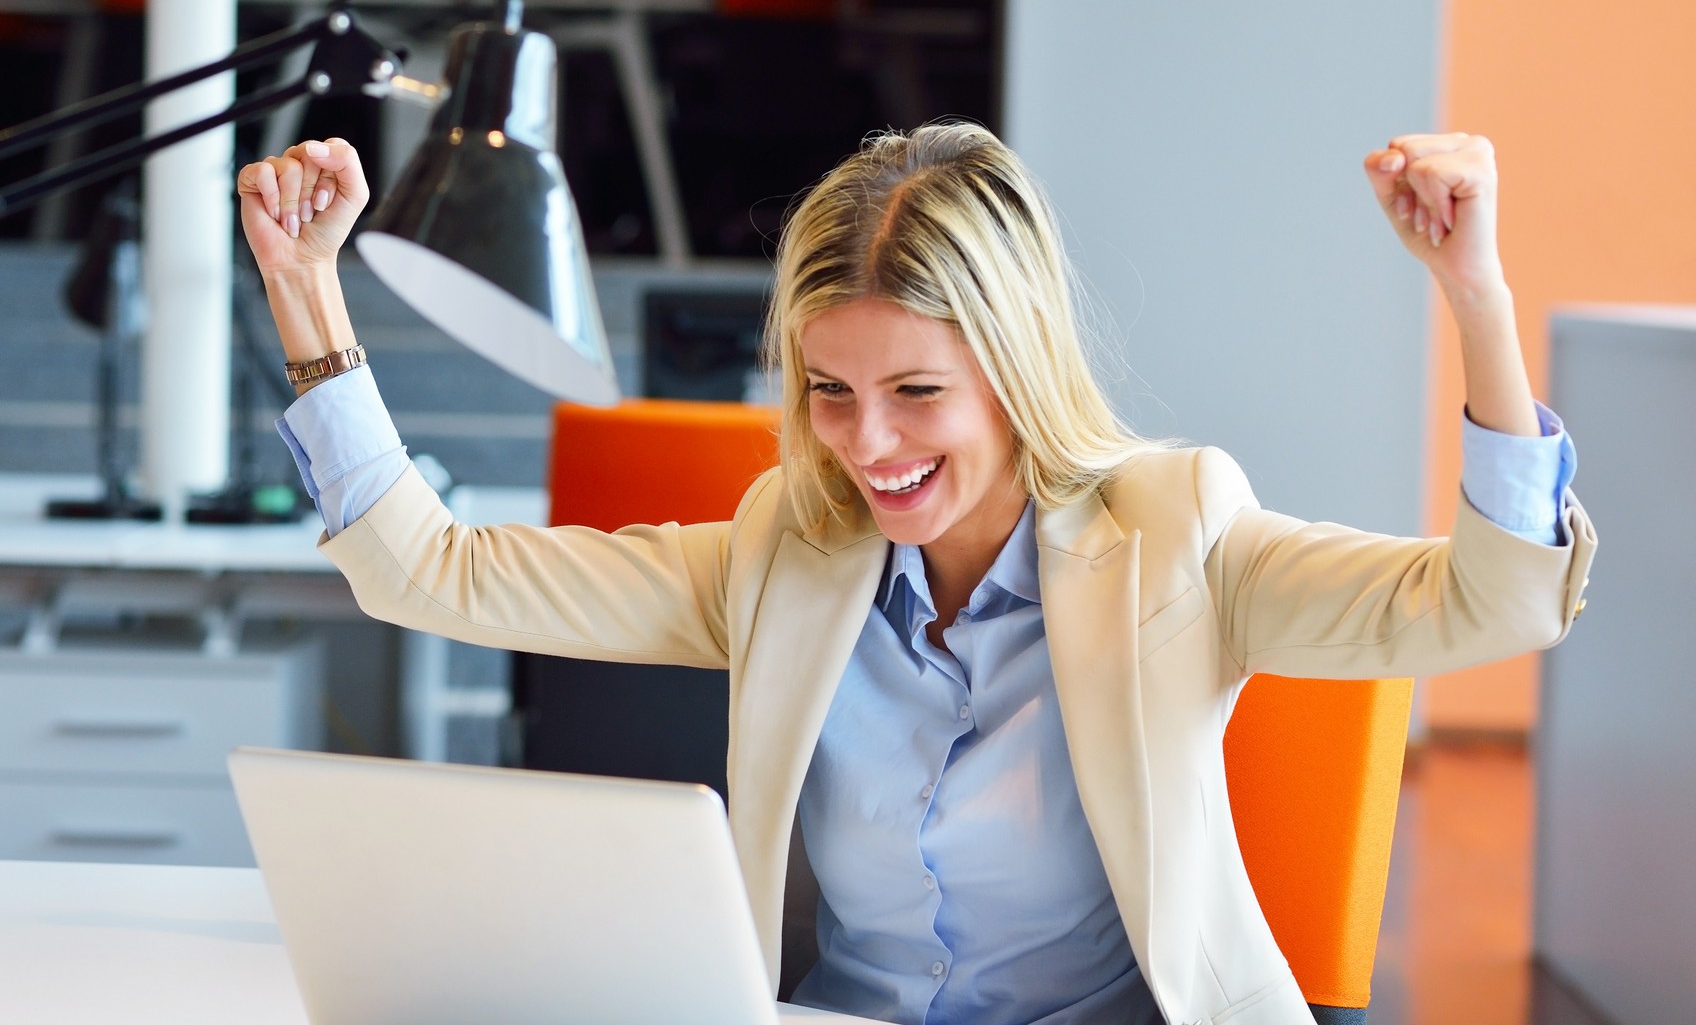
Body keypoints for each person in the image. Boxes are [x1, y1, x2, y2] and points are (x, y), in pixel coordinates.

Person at [236, 124, 1593, 1025]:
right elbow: (432, 575)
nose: (867, 444)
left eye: (917, 392)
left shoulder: (1175, 532)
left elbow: (1489, 600)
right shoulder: (788, 550)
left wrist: (1476, 295)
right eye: (829, 389)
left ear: (1015, 367)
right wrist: (308, 294)